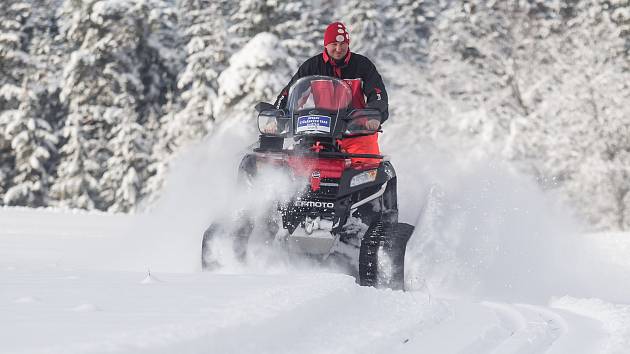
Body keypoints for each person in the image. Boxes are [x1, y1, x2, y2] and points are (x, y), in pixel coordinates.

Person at [274, 22, 388, 160]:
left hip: (356, 132)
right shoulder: (312, 66)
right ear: (326, 44)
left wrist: (373, 117)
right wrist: (277, 116)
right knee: (298, 164)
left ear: (348, 44)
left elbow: (377, 93)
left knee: (369, 166)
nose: (338, 49)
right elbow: (290, 93)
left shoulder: (362, 65)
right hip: (321, 132)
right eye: (334, 44)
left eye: (342, 44)